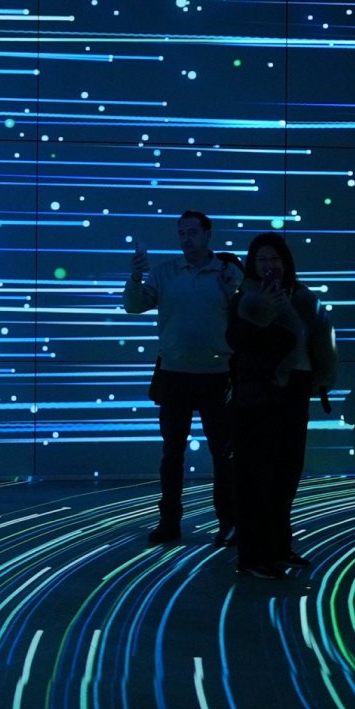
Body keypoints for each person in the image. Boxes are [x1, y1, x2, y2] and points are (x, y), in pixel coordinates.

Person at [125, 211, 243, 545]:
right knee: (172, 454)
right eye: (182, 233)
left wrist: (232, 289)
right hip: (175, 374)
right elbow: (134, 307)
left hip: (218, 375)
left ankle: (229, 522)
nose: (186, 238)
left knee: (223, 454)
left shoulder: (227, 272)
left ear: (208, 234)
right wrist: (135, 278)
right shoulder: (165, 273)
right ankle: (169, 523)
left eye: (193, 232)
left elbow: (244, 312)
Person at [225, 233, 336, 577]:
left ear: (286, 262)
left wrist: (321, 379)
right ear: (252, 265)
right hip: (258, 395)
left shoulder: (304, 297)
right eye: (261, 260)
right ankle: (253, 556)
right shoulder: (244, 299)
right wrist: (269, 309)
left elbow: (321, 341)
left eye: (275, 259)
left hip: (295, 392)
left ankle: (279, 547)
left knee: (286, 476)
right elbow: (241, 343)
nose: (269, 265)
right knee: (255, 477)